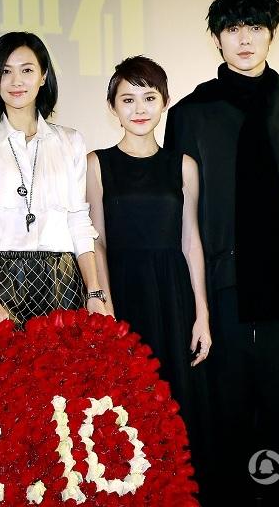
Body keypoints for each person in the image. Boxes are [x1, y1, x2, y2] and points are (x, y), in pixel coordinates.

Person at [165, 0, 279, 506]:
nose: (245, 38)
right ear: (217, 38)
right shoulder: (190, 113)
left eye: (255, 26)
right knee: (226, 426)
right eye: (233, 28)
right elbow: (184, 209)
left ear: (272, 32)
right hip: (223, 287)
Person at [87, 55, 211, 495]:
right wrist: (104, 301)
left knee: (177, 402)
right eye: (128, 99)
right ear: (112, 106)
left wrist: (202, 313)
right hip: (123, 292)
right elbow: (97, 240)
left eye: (149, 98)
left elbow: (191, 241)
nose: (139, 108)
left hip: (173, 296)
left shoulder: (183, 165)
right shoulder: (96, 163)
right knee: (123, 407)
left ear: (164, 103)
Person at [0, 31, 112, 325]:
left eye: (27, 70)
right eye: (6, 71)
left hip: (62, 279)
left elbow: (78, 221)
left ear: (43, 76)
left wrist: (94, 292)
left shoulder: (70, 141)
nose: (16, 81)